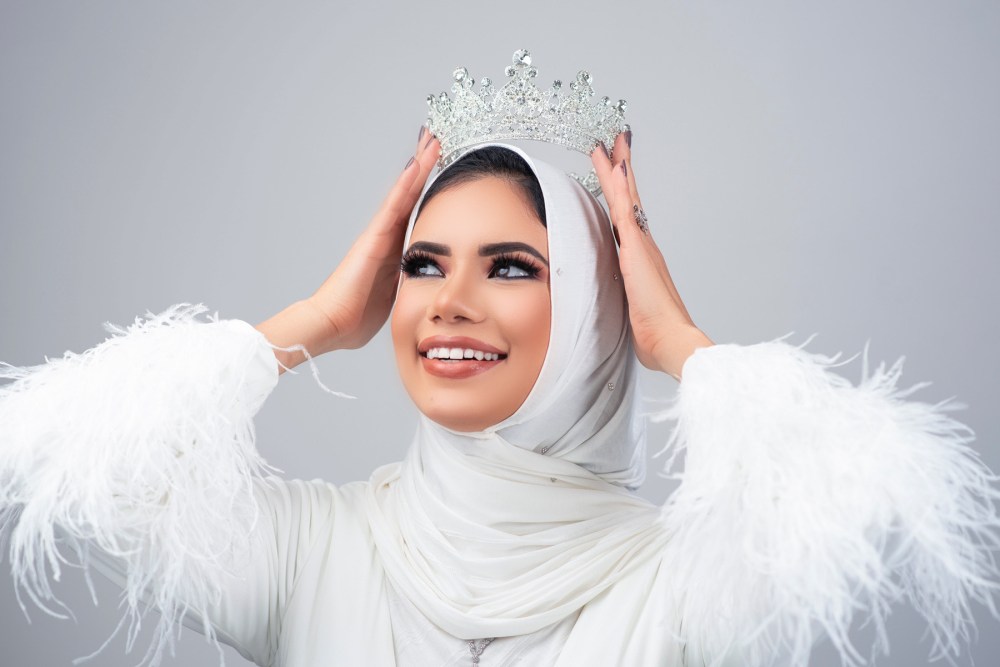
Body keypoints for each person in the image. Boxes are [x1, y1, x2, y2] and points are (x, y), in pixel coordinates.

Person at [2, 120, 999, 666]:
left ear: (600, 306)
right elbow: (73, 466)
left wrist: (683, 345)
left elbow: (886, 527)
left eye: (512, 267)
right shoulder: (314, 553)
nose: (449, 302)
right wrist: (312, 319)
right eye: (422, 265)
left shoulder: (683, 588)